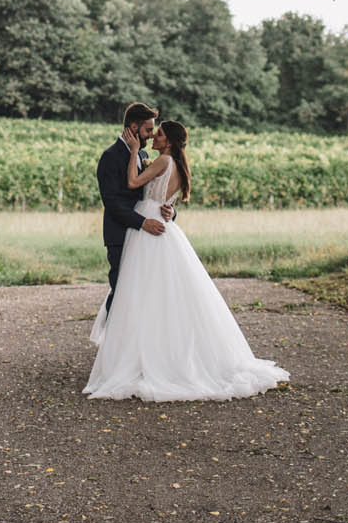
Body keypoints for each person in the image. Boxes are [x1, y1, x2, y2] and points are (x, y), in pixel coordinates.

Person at [85, 119, 289, 401]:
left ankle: (145, 357)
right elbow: (164, 201)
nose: (154, 137)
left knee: (141, 293)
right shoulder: (177, 164)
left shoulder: (162, 161)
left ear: (168, 141)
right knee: (161, 294)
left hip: (149, 228)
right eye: (152, 132)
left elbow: (133, 183)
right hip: (161, 225)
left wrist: (132, 152)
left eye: (159, 134)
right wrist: (167, 210)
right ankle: (153, 353)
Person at [95, 102, 167, 318]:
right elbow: (112, 202)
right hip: (119, 234)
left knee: (141, 290)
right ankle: (110, 337)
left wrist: (169, 211)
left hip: (142, 237)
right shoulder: (110, 156)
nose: (151, 136)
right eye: (148, 130)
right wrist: (143, 222)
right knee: (120, 290)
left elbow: (151, 194)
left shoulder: (142, 156)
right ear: (134, 128)